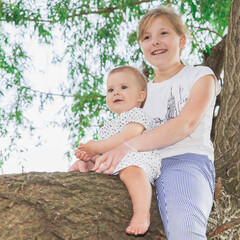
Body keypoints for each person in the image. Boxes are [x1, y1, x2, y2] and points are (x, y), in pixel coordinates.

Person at [91, 7, 221, 240]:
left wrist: (129, 146)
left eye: (163, 33)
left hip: (183, 159)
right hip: (141, 163)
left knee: (185, 233)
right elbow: (123, 132)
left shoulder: (201, 76)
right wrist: (92, 156)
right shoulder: (139, 93)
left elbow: (185, 124)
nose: (155, 42)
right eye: (147, 37)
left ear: (181, 40)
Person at [68, 66, 161, 236]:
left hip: (138, 159)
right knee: (89, 163)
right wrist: (90, 157)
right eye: (110, 90)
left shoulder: (137, 115)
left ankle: (142, 212)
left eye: (123, 87)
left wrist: (95, 147)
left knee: (131, 171)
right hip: (115, 161)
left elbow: (126, 137)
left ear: (140, 96)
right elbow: (105, 152)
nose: (116, 93)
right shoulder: (107, 127)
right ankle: (81, 167)